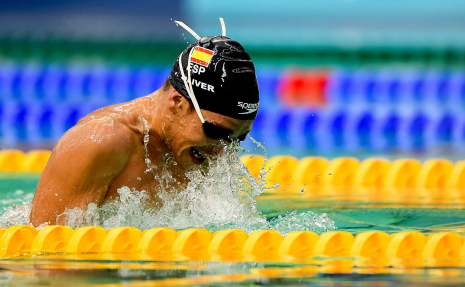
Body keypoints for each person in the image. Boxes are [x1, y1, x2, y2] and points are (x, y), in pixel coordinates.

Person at [29, 21, 260, 227]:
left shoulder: (199, 151)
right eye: (215, 131)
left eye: (236, 139)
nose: (222, 152)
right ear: (178, 102)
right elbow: (45, 256)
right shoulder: (98, 142)